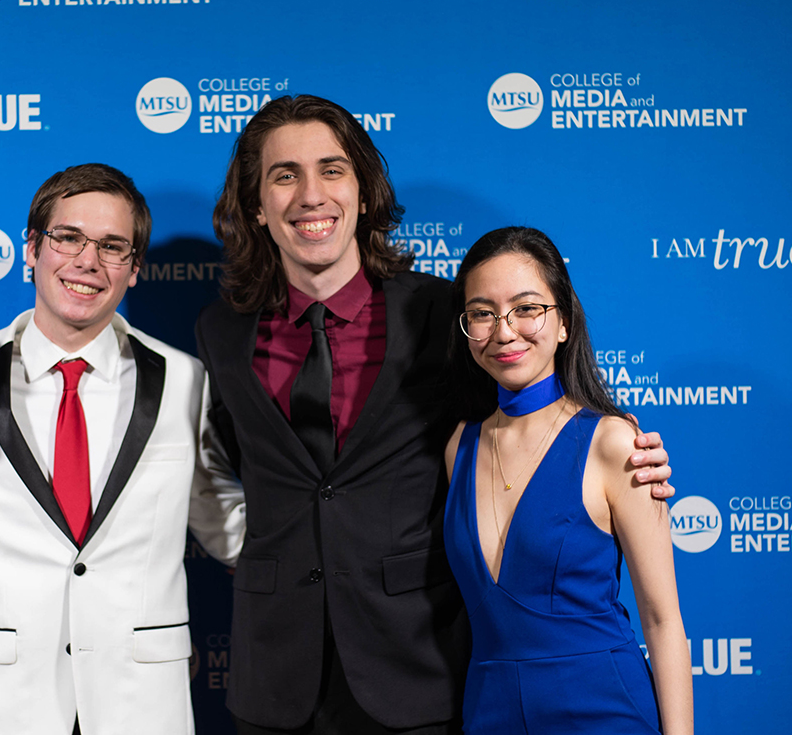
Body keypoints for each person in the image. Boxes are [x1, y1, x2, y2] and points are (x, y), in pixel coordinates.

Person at [194, 95, 674, 735]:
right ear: (256, 204)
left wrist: (624, 453)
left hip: (417, 674)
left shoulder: (444, 313)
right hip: (271, 679)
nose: (311, 194)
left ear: (363, 192)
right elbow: (218, 466)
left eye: (332, 170)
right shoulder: (220, 332)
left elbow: (526, 422)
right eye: (285, 175)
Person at [0, 163, 244, 735]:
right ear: (33, 249)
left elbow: (221, 519)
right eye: (68, 237)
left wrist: (333, 554)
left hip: (142, 698)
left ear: (134, 269)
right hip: (2, 698)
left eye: (113, 246)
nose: (87, 261)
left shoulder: (185, 380)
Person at [443, 226, 692, 734]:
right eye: (483, 313)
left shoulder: (614, 444)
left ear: (563, 323)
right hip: (489, 714)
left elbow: (663, 622)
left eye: (527, 308)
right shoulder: (458, 448)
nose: (504, 331)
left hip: (603, 711)